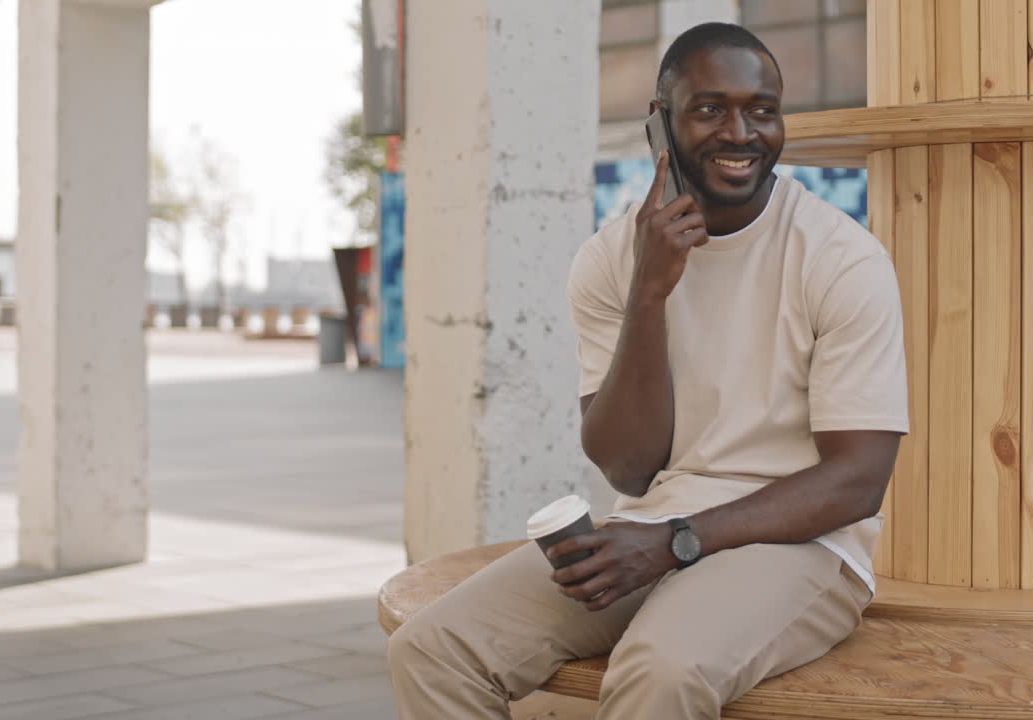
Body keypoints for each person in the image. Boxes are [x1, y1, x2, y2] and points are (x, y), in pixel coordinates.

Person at [388, 22, 907, 719]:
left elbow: (857, 482)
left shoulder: (843, 259)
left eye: (762, 108)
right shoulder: (609, 261)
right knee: (435, 648)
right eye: (709, 108)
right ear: (659, 126)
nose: (741, 131)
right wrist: (650, 291)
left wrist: (676, 542)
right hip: (651, 522)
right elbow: (630, 468)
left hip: (803, 546)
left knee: (661, 670)